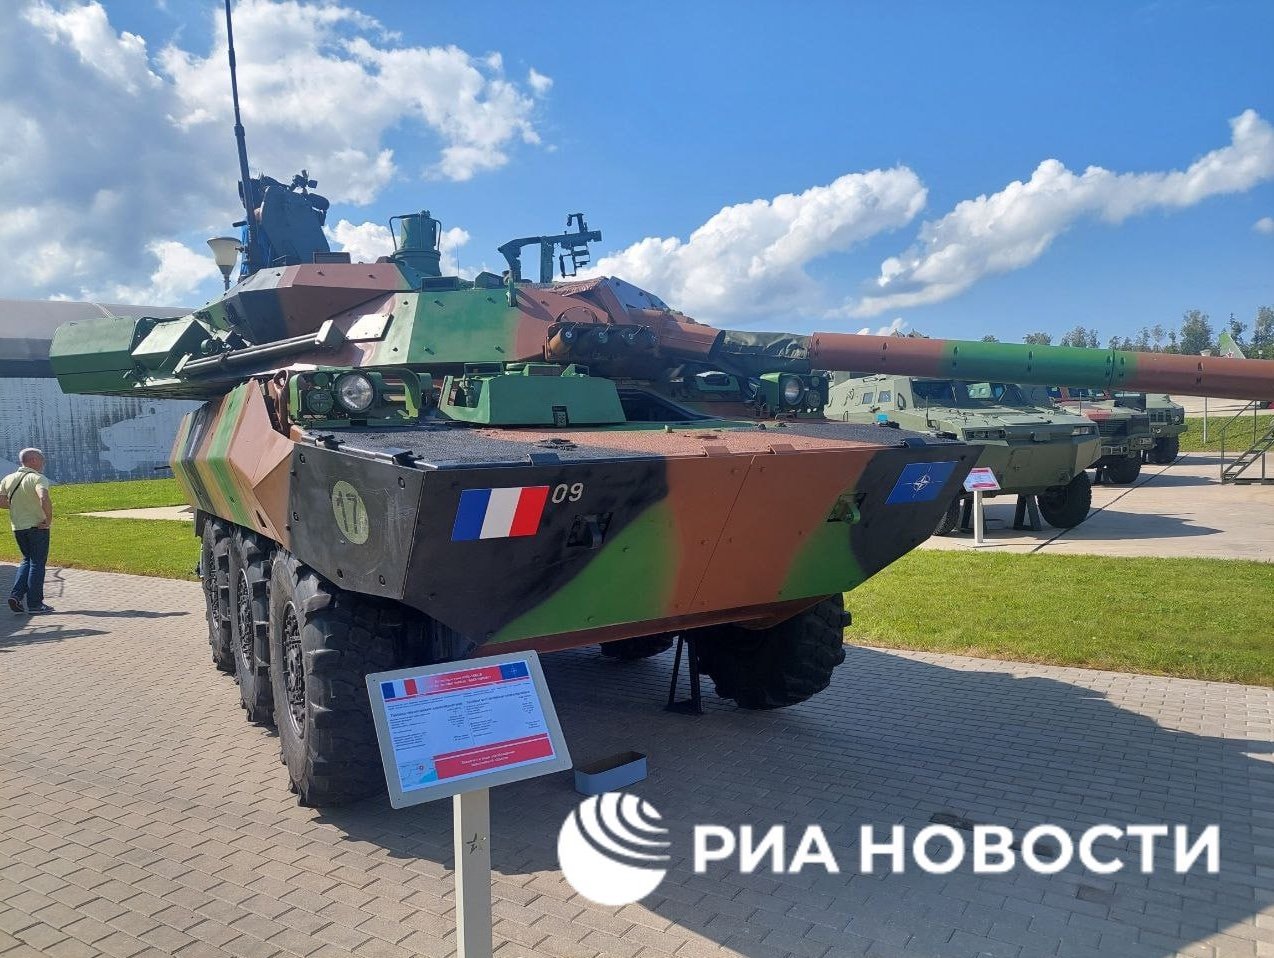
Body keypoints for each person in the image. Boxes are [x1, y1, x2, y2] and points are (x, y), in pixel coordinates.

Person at [3, 448, 53, 615]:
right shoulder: (37, 478)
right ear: (32, 460)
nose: (43, 463)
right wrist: (48, 519)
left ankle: (16, 596)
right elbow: (43, 497)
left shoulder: (8, 479)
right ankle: (35, 604)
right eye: (41, 460)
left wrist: (17, 506)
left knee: (27, 560)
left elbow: (1, 500)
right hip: (37, 526)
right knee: (37, 563)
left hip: (18, 527)